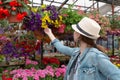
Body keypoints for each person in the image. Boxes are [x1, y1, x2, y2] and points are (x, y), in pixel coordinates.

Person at [44, 17, 120, 80]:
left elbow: (117, 75)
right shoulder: (76, 52)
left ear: (79, 35)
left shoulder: (97, 57)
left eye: (75, 31)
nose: (73, 32)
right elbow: (61, 48)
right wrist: (49, 33)